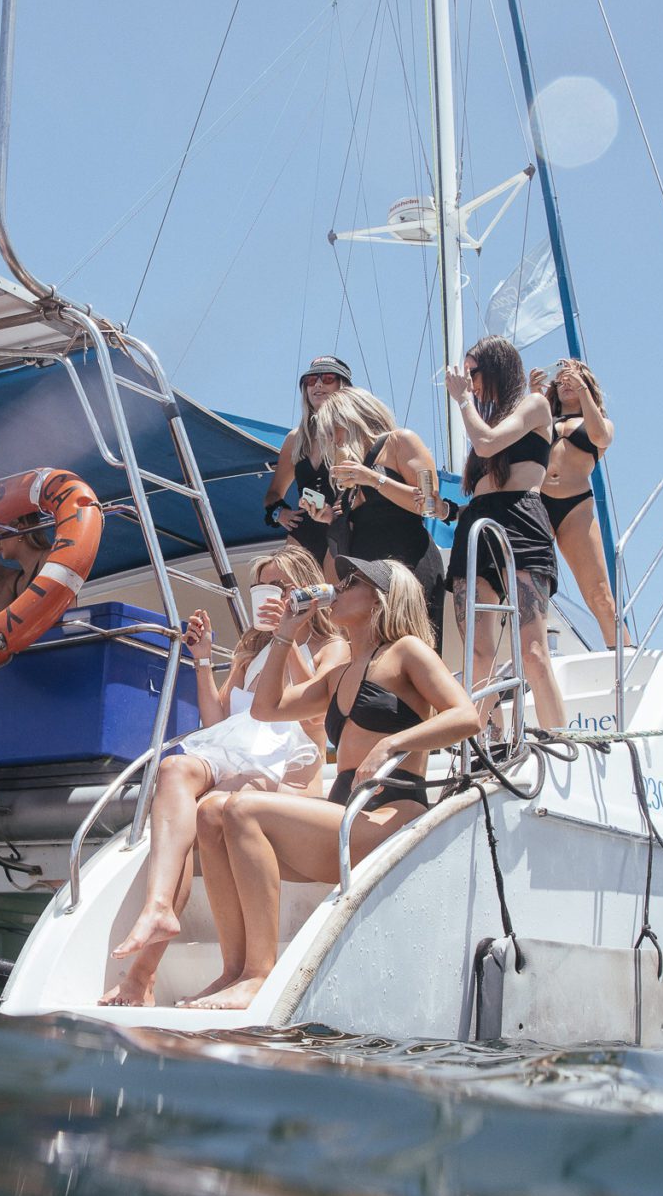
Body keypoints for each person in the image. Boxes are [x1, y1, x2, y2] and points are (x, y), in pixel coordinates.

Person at [183, 557, 480, 1010]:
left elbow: (467, 716)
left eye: (351, 581)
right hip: (342, 817)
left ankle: (261, 975)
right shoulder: (340, 673)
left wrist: (392, 743)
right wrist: (285, 633)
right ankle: (235, 971)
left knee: (242, 807)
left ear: (382, 596)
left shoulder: (407, 651)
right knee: (210, 812)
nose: (336, 588)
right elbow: (266, 708)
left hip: (388, 812)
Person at [103, 546, 346, 1005]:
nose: (271, 596)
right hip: (237, 758)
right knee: (174, 767)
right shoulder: (250, 650)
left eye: (282, 587)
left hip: (289, 773)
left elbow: (317, 722)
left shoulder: (334, 647)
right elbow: (218, 725)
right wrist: (199, 657)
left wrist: (288, 638)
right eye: (264, 589)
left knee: (203, 814)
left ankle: (148, 972)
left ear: (307, 590)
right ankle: (158, 910)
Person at [438, 335, 567, 729]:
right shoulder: (486, 416)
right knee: (478, 652)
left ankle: (557, 738)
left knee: (533, 652)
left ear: (496, 367)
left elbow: (488, 444)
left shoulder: (535, 404)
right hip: (476, 522)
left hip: (521, 519)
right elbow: (482, 462)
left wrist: (462, 401)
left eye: (473, 372)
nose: (469, 380)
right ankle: (486, 739)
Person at [318, 386, 448, 633]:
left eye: (332, 429)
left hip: (409, 564)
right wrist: (329, 517)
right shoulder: (349, 465)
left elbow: (429, 504)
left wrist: (373, 479)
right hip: (366, 574)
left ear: (351, 419)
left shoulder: (400, 441)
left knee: (416, 646)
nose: (332, 439)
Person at [535, 357, 624, 648]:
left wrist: (582, 390)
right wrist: (534, 394)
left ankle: (621, 655)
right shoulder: (544, 417)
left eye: (571, 379)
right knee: (530, 587)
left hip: (576, 508)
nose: (565, 384)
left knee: (598, 592)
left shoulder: (600, 422)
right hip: (538, 503)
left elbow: (599, 437)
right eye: (560, 381)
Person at [262, 355, 356, 563]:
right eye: (311, 380)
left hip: (343, 527)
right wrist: (280, 513)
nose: (318, 384)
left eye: (328, 378)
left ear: (344, 387)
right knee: (291, 594)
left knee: (336, 595)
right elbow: (273, 493)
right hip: (302, 533)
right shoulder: (296, 439)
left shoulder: (357, 432)